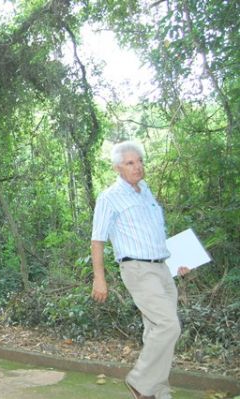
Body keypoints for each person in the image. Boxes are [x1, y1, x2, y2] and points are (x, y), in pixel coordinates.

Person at [91, 141, 190, 399]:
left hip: (163, 268)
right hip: (137, 269)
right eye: (130, 163)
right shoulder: (109, 197)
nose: (138, 167)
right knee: (170, 326)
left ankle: (158, 389)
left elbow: (155, 235)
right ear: (117, 168)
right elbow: (97, 240)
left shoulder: (146, 191)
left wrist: (177, 260)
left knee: (155, 330)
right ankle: (139, 382)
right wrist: (99, 278)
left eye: (140, 161)